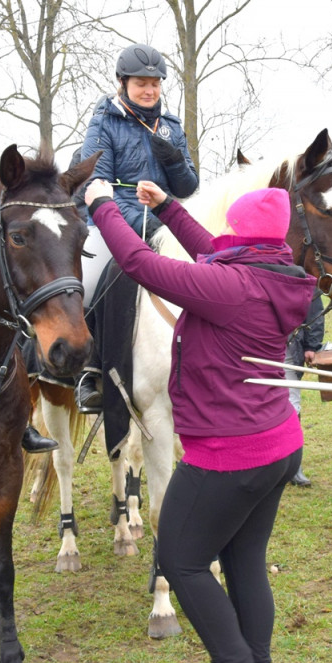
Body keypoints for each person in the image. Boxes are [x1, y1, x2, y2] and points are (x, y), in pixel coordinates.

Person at [85, 176, 313, 663]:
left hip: (229, 455)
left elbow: (140, 265)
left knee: (180, 560)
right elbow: (211, 249)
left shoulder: (232, 287)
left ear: (244, 234)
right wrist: (166, 208)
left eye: (232, 225)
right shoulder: (275, 271)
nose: (225, 233)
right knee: (244, 561)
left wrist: (101, 206)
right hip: (279, 443)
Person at [76, 42, 199, 413]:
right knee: (90, 281)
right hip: (112, 219)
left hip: (168, 221)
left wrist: (174, 159)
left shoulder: (171, 127)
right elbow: (95, 183)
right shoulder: (104, 122)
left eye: (155, 84)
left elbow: (188, 188)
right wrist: (137, 226)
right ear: (123, 83)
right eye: (141, 83)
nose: (149, 90)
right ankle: (91, 372)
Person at [283, 289, 325, 487]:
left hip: (289, 345)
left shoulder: (300, 266)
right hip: (253, 344)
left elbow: (313, 305)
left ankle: (293, 466)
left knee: (292, 403)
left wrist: (311, 345)